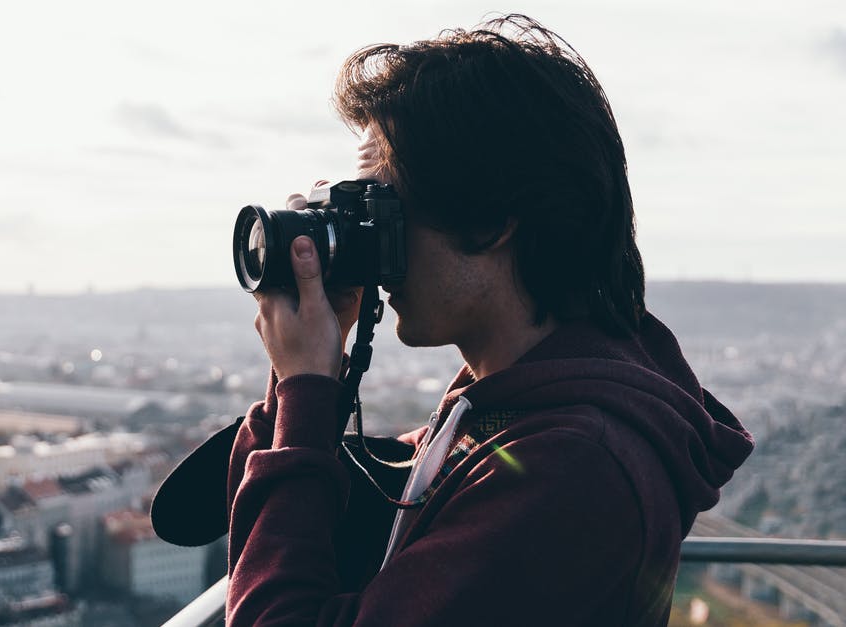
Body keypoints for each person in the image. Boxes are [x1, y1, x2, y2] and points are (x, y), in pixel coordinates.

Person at [228, 15, 754, 626]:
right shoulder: (510, 405)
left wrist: (306, 387)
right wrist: (298, 387)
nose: (373, 246)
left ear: (492, 220)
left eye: (384, 211)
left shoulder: (570, 467)